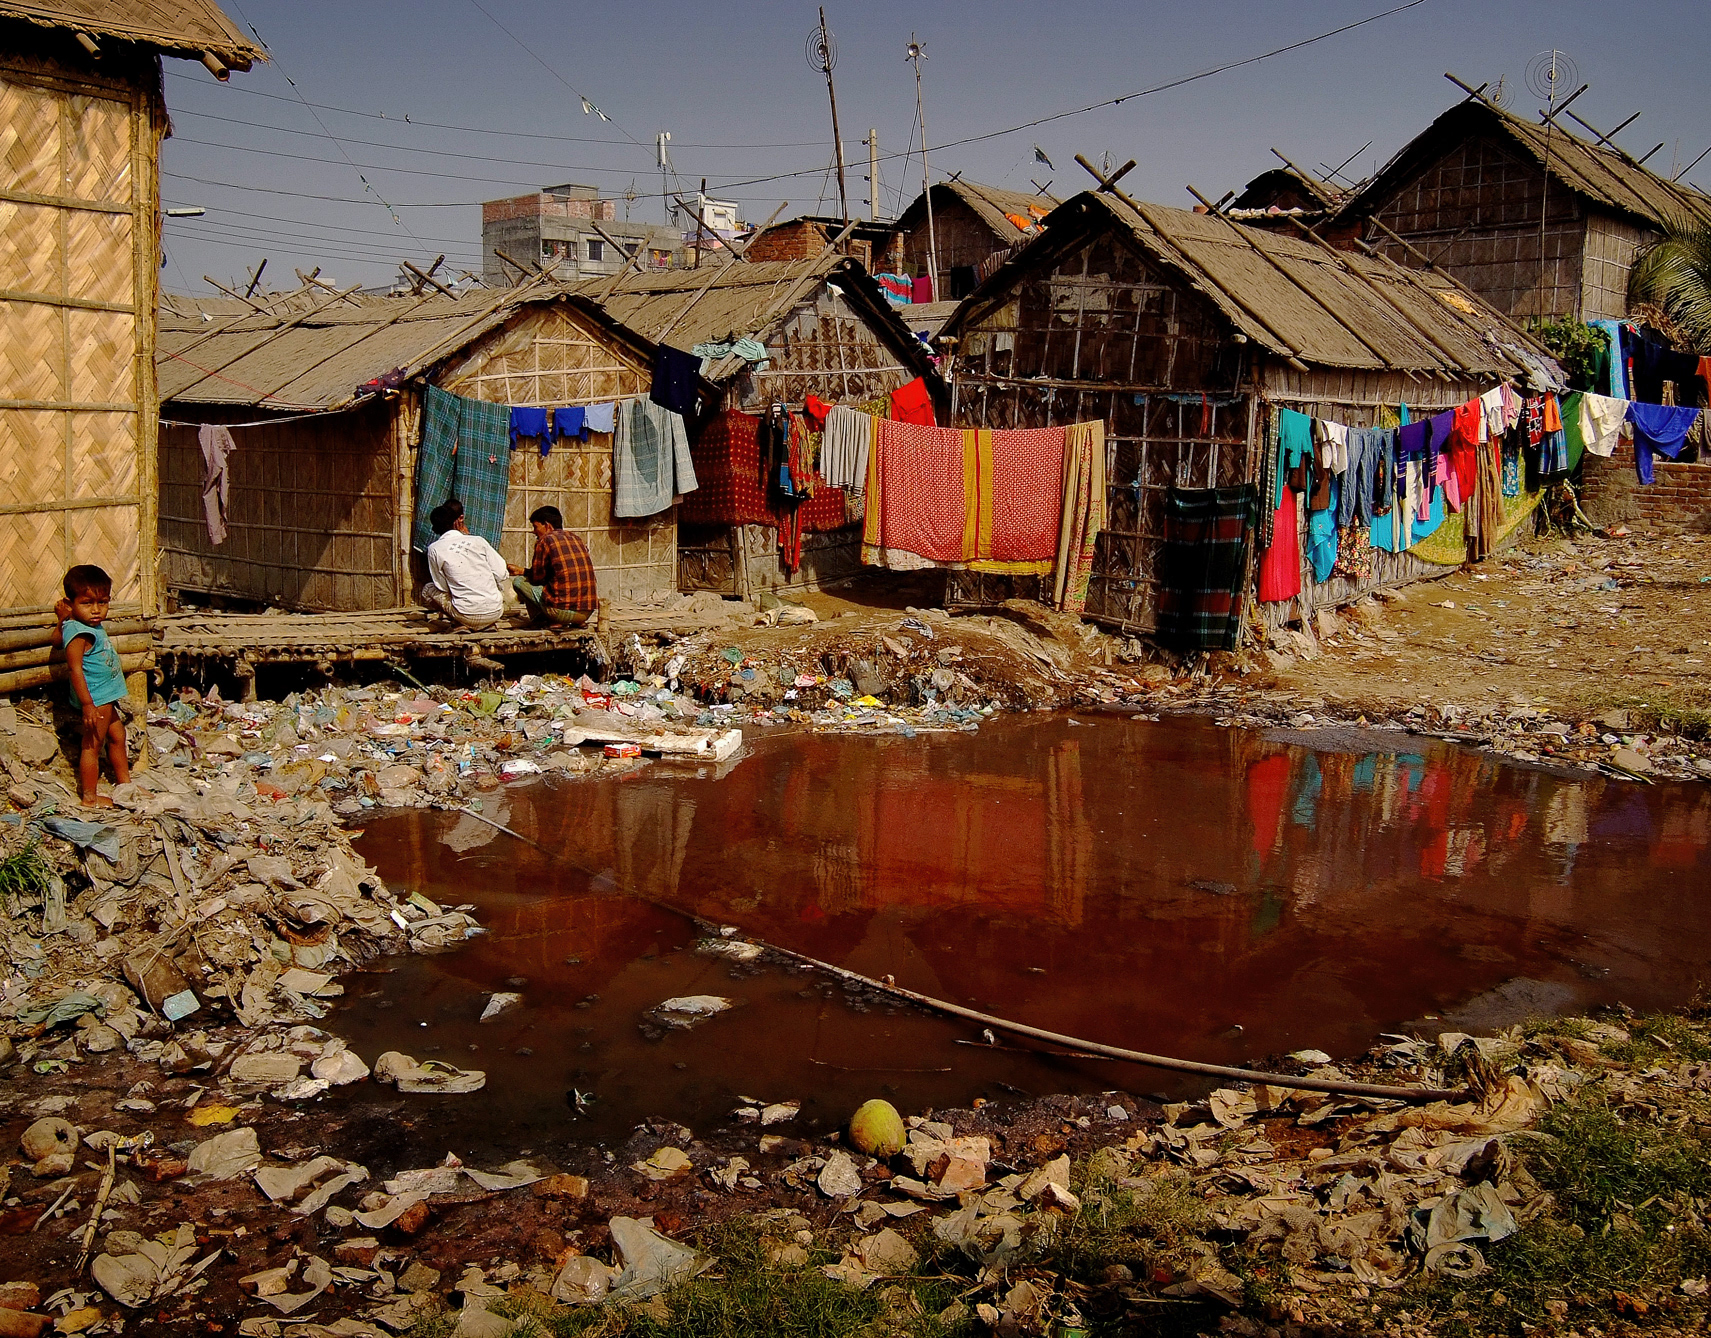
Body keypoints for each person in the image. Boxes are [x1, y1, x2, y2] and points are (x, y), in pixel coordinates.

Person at [54, 565, 130, 807]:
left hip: (104, 695)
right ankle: (89, 797)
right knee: (92, 745)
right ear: (71, 602)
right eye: (87, 603)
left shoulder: (78, 624)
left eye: (103, 602)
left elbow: (55, 641)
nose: (96, 610)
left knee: (118, 734)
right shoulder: (79, 634)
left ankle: (125, 784)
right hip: (96, 698)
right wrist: (87, 705)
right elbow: (75, 669)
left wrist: (61, 619)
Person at [421, 499, 508, 630]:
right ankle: (487, 623)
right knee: (496, 584)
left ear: (435, 528)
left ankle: (459, 622)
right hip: (495, 612)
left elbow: (442, 587)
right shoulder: (478, 541)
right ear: (456, 522)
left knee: (428, 589)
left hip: (466, 614)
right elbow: (501, 573)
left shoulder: (435, 549)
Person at [507, 505, 598, 627]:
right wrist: (522, 570)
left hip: (560, 612)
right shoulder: (576, 538)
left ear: (547, 525)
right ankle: (577, 621)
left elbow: (536, 578)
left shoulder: (545, 540)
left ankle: (546, 619)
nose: (534, 531)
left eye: (536, 527)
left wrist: (522, 573)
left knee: (518, 582)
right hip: (587, 612)